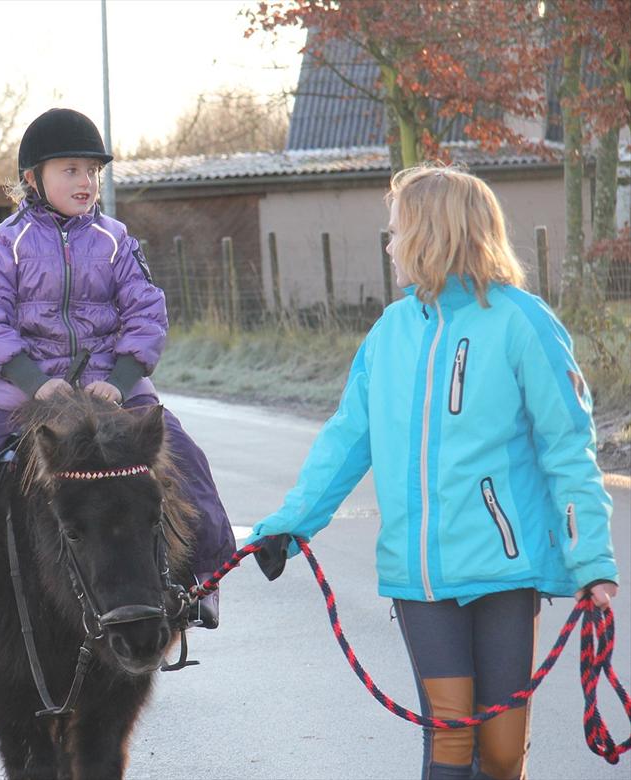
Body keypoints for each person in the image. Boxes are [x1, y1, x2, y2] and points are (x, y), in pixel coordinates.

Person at [247, 165, 619, 780]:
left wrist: (592, 563)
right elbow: (347, 440)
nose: (389, 245)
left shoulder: (522, 323)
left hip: (506, 572)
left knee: (500, 755)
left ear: (432, 235)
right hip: (420, 582)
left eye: (396, 231)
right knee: (450, 748)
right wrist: (291, 523)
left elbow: (567, 449)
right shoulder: (390, 332)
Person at [0, 108, 236, 639]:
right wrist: (33, 380)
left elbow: (146, 312)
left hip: (111, 387)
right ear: (34, 179)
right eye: (71, 170)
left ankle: (206, 573)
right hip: (18, 390)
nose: (86, 182)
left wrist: (123, 379)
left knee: (188, 460)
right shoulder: (5, 245)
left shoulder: (116, 241)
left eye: (92, 171)